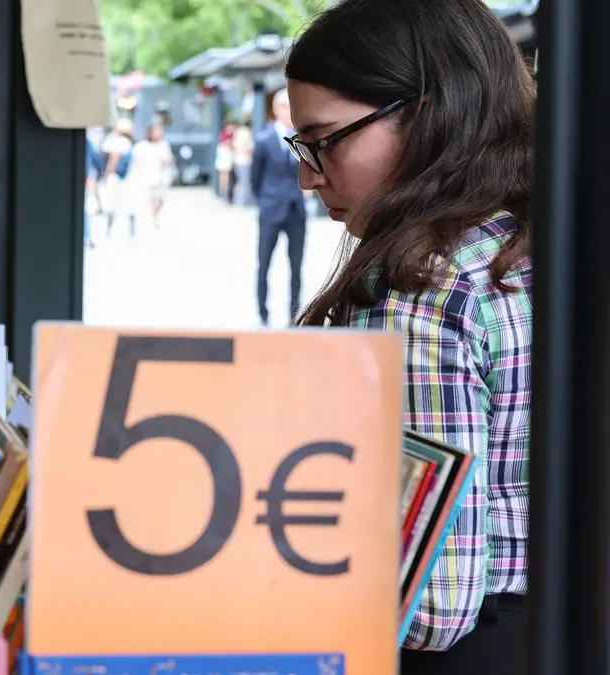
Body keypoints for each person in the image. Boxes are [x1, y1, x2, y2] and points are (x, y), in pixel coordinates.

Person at [286, 0, 533, 673]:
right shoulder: (535, 240)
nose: (308, 175)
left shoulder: (421, 285)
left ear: (426, 112)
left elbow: (432, 604)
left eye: (324, 139)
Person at [250, 89, 307, 326]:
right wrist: (264, 201)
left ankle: (294, 314)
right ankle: (263, 314)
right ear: (276, 109)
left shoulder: (301, 140)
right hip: (270, 209)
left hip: (296, 210)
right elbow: (255, 178)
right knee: (264, 263)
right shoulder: (263, 140)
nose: (290, 111)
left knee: (296, 266)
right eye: (286, 106)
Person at [124, 123, 174, 229]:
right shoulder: (141, 146)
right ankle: (149, 220)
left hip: (161, 177)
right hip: (145, 178)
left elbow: (168, 157)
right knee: (148, 200)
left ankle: (153, 217)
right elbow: (136, 162)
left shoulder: (164, 145)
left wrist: (168, 161)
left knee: (160, 199)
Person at [101, 118, 135, 237]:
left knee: (112, 203)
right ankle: (130, 229)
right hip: (124, 177)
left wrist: (107, 174)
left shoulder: (116, 141)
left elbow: (114, 159)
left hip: (115, 177)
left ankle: (110, 229)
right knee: (126, 203)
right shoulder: (127, 142)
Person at [231, 120, 254, 206]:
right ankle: (243, 201)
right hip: (245, 160)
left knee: (240, 181)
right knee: (245, 182)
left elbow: (234, 144)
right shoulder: (246, 132)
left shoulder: (237, 132)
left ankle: (238, 199)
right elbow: (250, 147)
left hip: (237, 160)